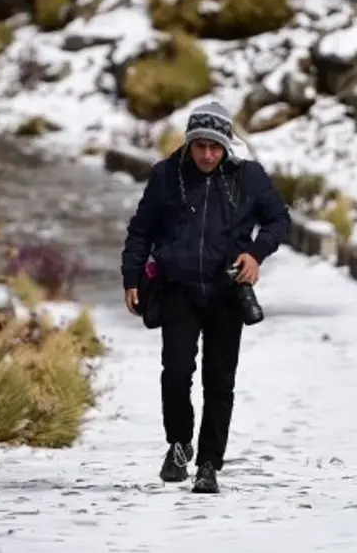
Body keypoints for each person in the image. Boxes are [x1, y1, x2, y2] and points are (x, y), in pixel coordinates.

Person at [120, 102, 291, 494]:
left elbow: (279, 219)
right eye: (200, 147)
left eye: (215, 147)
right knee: (177, 373)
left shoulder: (248, 177)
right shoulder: (166, 175)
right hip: (178, 289)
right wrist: (132, 277)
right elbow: (140, 230)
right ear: (189, 143)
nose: (208, 155)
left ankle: (209, 464)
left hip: (226, 293)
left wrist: (256, 253)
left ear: (226, 145)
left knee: (219, 381)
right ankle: (179, 444)